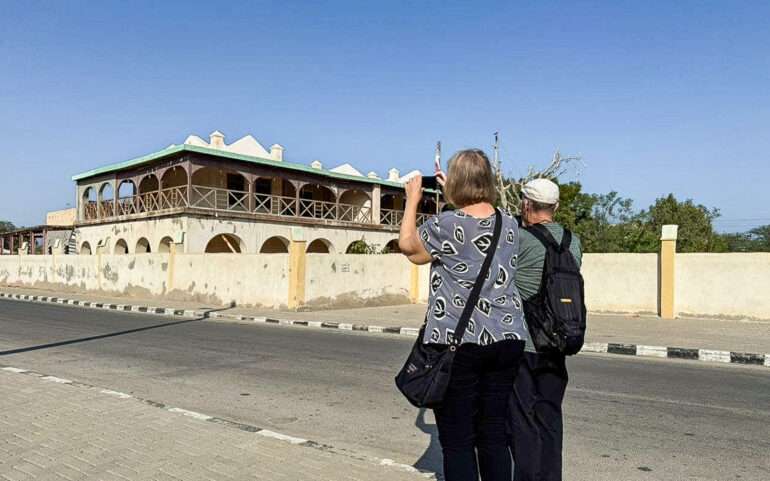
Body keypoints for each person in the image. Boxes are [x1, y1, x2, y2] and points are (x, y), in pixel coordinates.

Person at [398, 149, 531, 481]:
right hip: (507, 338)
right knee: (493, 433)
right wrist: (454, 193)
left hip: (459, 343)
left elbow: (410, 248)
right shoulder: (509, 223)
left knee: (458, 441)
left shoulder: (444, 224)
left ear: (455, 181)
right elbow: (474, 226)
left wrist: (412, 200)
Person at [509, 178, 583, 481]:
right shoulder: (573, 241)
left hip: (526, 344)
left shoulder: (519, 239)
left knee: (522, 421)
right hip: (559, 341)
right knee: (550, 416)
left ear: (526, 205)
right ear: (556, 206)